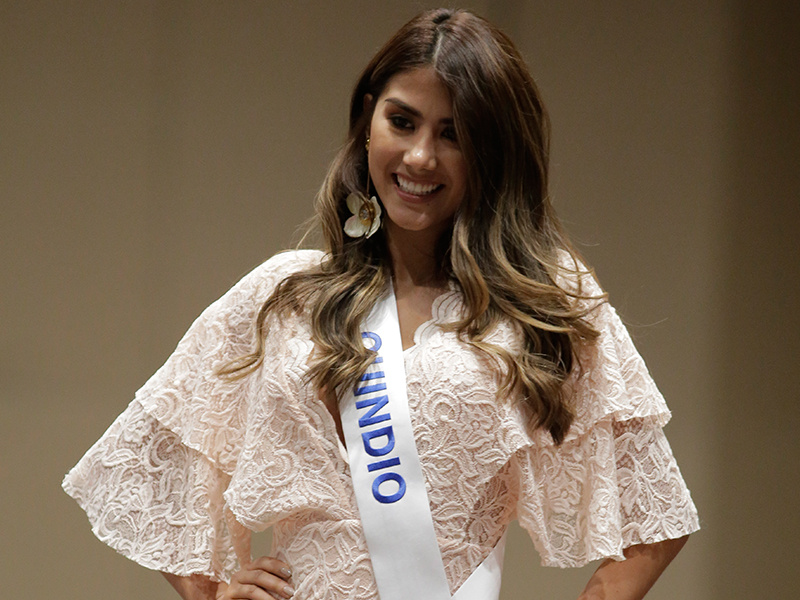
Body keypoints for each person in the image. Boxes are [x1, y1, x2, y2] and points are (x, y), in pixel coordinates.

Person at [63, 8, 699, 600]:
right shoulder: (286, 297)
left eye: (453, 135)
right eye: (403, 121)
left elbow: (657, 517)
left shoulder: (539, 302)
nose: (420, 156)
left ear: (491, 153)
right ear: (367, 121)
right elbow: (155, 462)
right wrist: (218, 591)